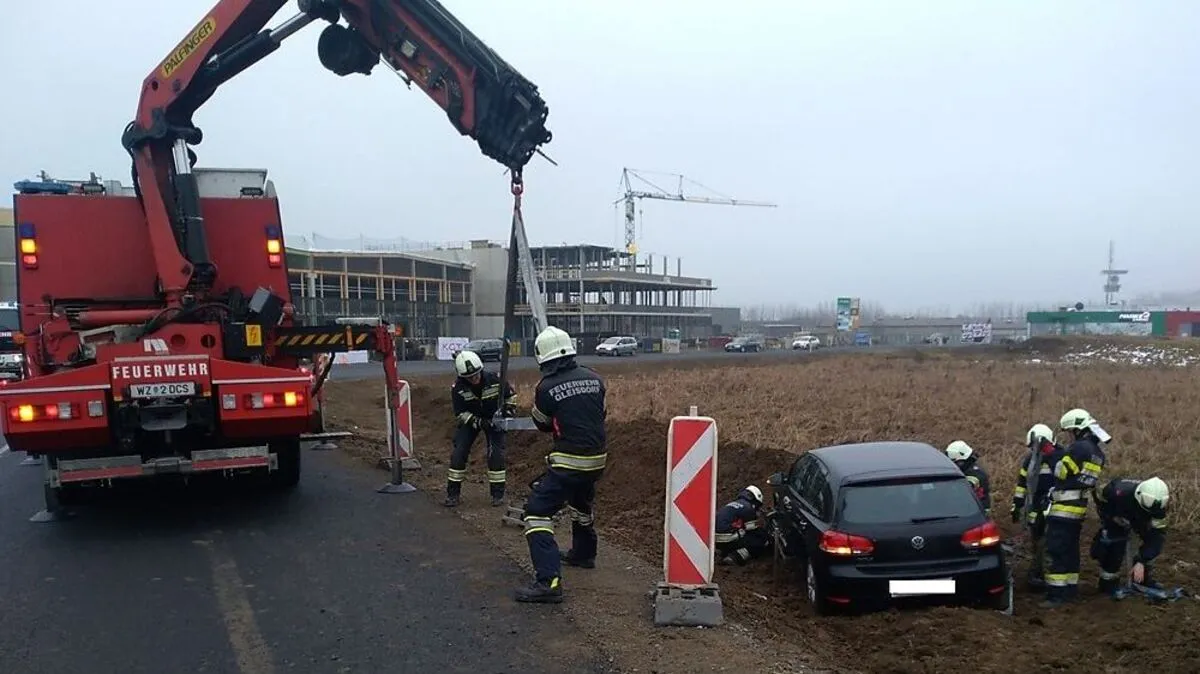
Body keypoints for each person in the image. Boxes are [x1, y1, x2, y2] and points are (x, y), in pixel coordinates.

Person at [515, 326, 608, 604]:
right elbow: (599, 413)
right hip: (597, 460)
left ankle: (548, 581)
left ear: (543, 358)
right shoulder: (595, 377)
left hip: (569, 460)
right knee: (581, 504)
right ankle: (584, 554)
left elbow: (542, 424)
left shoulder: (545, 388)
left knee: (536, 513)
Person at [1042, 407, 1109, 607]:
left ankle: (1056, 595)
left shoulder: (1079, 448)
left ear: (1077, 429)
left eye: (1070, 432)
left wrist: (1053, 455)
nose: (1069, 437)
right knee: (1070, 550)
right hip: (1078, 508)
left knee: (1056, 549)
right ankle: (1070, 589)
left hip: (1064, 508)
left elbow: (1061, 472)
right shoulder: (1097, 453)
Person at [445, 350, 516, 508]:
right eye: (469, 377)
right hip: (471, 421)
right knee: (459, 453)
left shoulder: (496, 380)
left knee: (495, 454)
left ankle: (497, 495)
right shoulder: (458, 388)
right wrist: (478, 422)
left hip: (494, 419)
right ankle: (453, 494)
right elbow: (460, 413)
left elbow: (510, 396)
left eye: (476, 374)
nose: (474, 379)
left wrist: (508, 410)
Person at [1090, 477, 1169, 595]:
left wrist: (1142, 560)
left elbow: (1157, 536)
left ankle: (1141, 579)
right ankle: (1108, 584)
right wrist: (1110, 516)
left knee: (1150, 545)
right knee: (1113, 546)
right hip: (1117, 514)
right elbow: (1099, 496)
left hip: (1141, 520)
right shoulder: (1117, 491)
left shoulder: (1159, 509)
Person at [1010, 423, 1062, 589]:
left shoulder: (1060, 458)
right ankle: (1037, 572)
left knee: (1049, 544)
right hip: (1036, 509)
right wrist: (1017, 505)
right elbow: (1022, 484)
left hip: (1055, 509)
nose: (1033, 450)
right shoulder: (1030, 461)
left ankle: (1050, 579)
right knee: (1036, 542)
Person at [715, 485, 772, 565]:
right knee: (759, 541)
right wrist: (766, 535)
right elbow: (753, 530)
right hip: (728, 538)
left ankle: (723, 552)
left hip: (716, 540)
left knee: (742, 533)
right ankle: (735, 557)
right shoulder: (748, 508)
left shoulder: (732, 504)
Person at [945, 440, 991, 516]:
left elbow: (959, 492)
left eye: (955, 462)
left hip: (977, 512)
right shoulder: (967, 469)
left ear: (962, 460)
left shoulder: (975, 475)